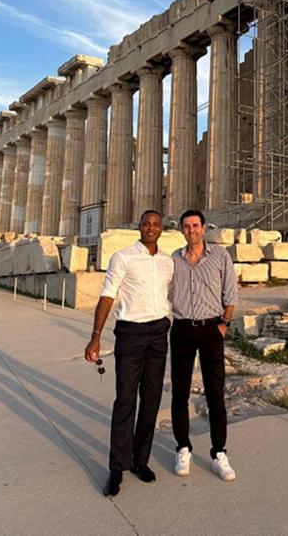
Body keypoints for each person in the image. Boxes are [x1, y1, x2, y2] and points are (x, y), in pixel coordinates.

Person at [84, 210, 174, 497]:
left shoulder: (167, 261)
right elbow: (108, 295)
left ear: (162, 228)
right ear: (139, 227)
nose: (151, 228)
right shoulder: (122, 257)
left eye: (156, 224)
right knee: (125, 400)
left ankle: (140, 460)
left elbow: (172, 294)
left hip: (158, 333)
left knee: (151, 399)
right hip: (130, 333)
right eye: (147, 224)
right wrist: (95, 336)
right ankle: (116, 467)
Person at [170, 209, 239, 481]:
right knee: (180, 392)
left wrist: (224, 324)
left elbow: (230, 292)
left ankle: (219, 452)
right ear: (182, 230)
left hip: (212, 328)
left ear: (204, 227)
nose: (191, 230)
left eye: (195, 225)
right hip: (182, 328)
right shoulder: (174, 258)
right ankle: (183, 448)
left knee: (215, 393)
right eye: (186, 226)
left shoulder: (220, 256)